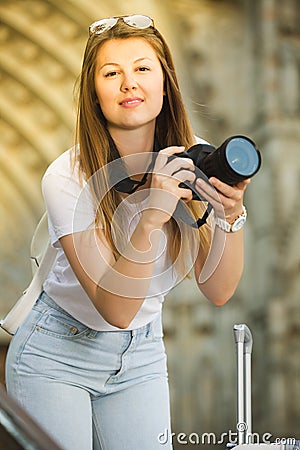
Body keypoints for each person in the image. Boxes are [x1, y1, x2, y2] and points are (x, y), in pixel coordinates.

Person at [5, 15, 250, 450]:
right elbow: (113, 310)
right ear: (94, 95)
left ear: (165, 83)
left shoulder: (191, 159)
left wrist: (231, 215)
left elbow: (218, 290)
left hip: (141, 354)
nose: (128, 84)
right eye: (111, 73)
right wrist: (152, 214)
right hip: (57, 352)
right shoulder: (67, 176)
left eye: (142, 68)